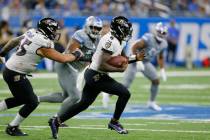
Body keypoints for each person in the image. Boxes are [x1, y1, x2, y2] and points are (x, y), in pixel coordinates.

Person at [48, 16, 144, 139]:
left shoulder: (120, 40)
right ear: (118, 29)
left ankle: (56, 121)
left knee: (83, 104)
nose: (127, 32)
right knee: (125, 93)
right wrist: (119, 70)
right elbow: (103, 64)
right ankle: (114, 122)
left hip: (95, 74)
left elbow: (122, 59)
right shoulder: (109, 41)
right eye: (125, 29)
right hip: (95, 74)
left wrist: (135, 58)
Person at [0, 17, 83, 136]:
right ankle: (13, 127)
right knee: (32, 101)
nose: (55, 33)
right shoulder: (43, 42)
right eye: (53, 30)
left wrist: (2, 53)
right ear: (47, 29)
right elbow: (63, 59)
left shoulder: (32, 32)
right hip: (15, 73)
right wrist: (76, 54)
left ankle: (12, 125)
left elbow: (13, 41)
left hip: (10, 70)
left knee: (21, 98)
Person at [38, 16, 103, 126]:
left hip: (74, 68)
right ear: (87, 26)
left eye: (98, 28)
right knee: (75, 96)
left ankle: (35, 99)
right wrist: (90, 57)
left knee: (65, 97)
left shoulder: (98, 39)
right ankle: (56, 119)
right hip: (66, 65)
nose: (95, 30)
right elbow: (71, 51)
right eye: (93, 27)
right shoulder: (80, 34)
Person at [123, 22, 168, 111]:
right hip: (134, 60)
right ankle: (107, 94)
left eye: (163, 33)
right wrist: (138, 60)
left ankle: (151, 102)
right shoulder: (148, 38)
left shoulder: (164, 44)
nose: (161, 34)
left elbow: (161, 56)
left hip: (146, 62)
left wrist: (162, 69)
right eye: (160, 32)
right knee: (126, 85)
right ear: (156, 31)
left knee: (156, 81)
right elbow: (134, 47)